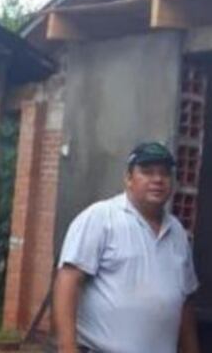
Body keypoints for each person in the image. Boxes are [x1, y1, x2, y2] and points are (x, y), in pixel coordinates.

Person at [52, 141, 200, 353]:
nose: (157, 180)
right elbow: (68, 280)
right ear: (128, 178)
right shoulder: (102, 218)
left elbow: (185, 303)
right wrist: (67, 348)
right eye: (147, 172)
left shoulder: (177, 232)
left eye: (165, 174)